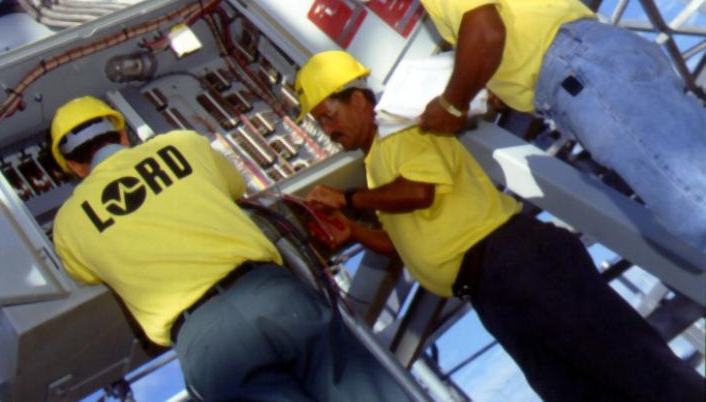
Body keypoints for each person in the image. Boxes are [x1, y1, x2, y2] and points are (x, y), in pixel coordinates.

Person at [296, 50, 702, 402]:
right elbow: (405, 244)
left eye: (330, 115)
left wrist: (345, 200)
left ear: (358, 99)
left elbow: (420, 192)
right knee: (584, 386)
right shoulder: (375, 168)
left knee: (633, 365)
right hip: (494, 285)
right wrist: (354, 231)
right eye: (321, 124)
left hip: (515, 263)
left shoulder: (397, 132)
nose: (329, 131)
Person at [328, 0, 706, 253]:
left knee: (692, 202)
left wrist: (451, 104)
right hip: (589, 62)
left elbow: (486, 32)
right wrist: (498, 87)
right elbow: (501, 33)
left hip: (578, 72)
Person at [48, 95, 407, 401]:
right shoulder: (181, 144)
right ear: (122, 133)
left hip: (204, 339)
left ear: (75, 167)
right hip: (270, 295)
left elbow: (83, 273)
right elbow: (234, 187)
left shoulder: (68, 225)